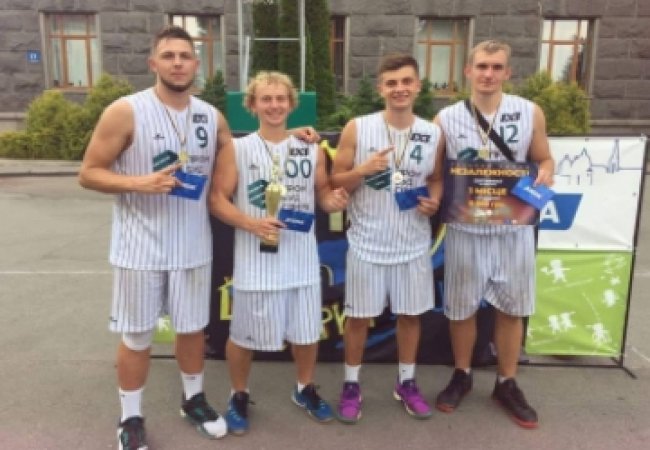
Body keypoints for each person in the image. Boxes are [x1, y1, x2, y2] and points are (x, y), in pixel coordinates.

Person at [209, 71, 349, 435]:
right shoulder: (237, 149)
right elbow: (217, 199)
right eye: (266, 99)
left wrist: (333, 201)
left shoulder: (310, 147)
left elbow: (323, 194)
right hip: (256, 259)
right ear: (252, 105)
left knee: (306, 332)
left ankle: (304, 388)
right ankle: (239, 394)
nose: (274, 105)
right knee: (242, 335)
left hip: (301, 258)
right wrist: (251, 223)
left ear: (291, 104)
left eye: (280, 99)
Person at [433, 40, 555, 429]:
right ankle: (462, 373)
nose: (488, 74)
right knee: (461, 307)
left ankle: (507, 381)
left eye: (497, 67)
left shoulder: (529, 111)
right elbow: (436, 172)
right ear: (468, 71)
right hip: (466, 227)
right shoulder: (446, 118)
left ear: (507, 72)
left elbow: (544, 158)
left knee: (512, 308)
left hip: (512, 227)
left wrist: (546, 172)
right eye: (482, 66)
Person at [330, 53, 445, 423]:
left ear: (418, 86)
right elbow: (336, 180)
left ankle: (406, 382)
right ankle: (351, 384)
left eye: (406, 81)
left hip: (412, 243)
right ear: (381, 88)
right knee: (358, 318)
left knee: (410, 316)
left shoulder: (432, 132)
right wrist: (362, 170)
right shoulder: (357, 128)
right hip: (367, 242)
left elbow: (436, 178)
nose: (400, 89)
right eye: (392, 83)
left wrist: (435, 200)